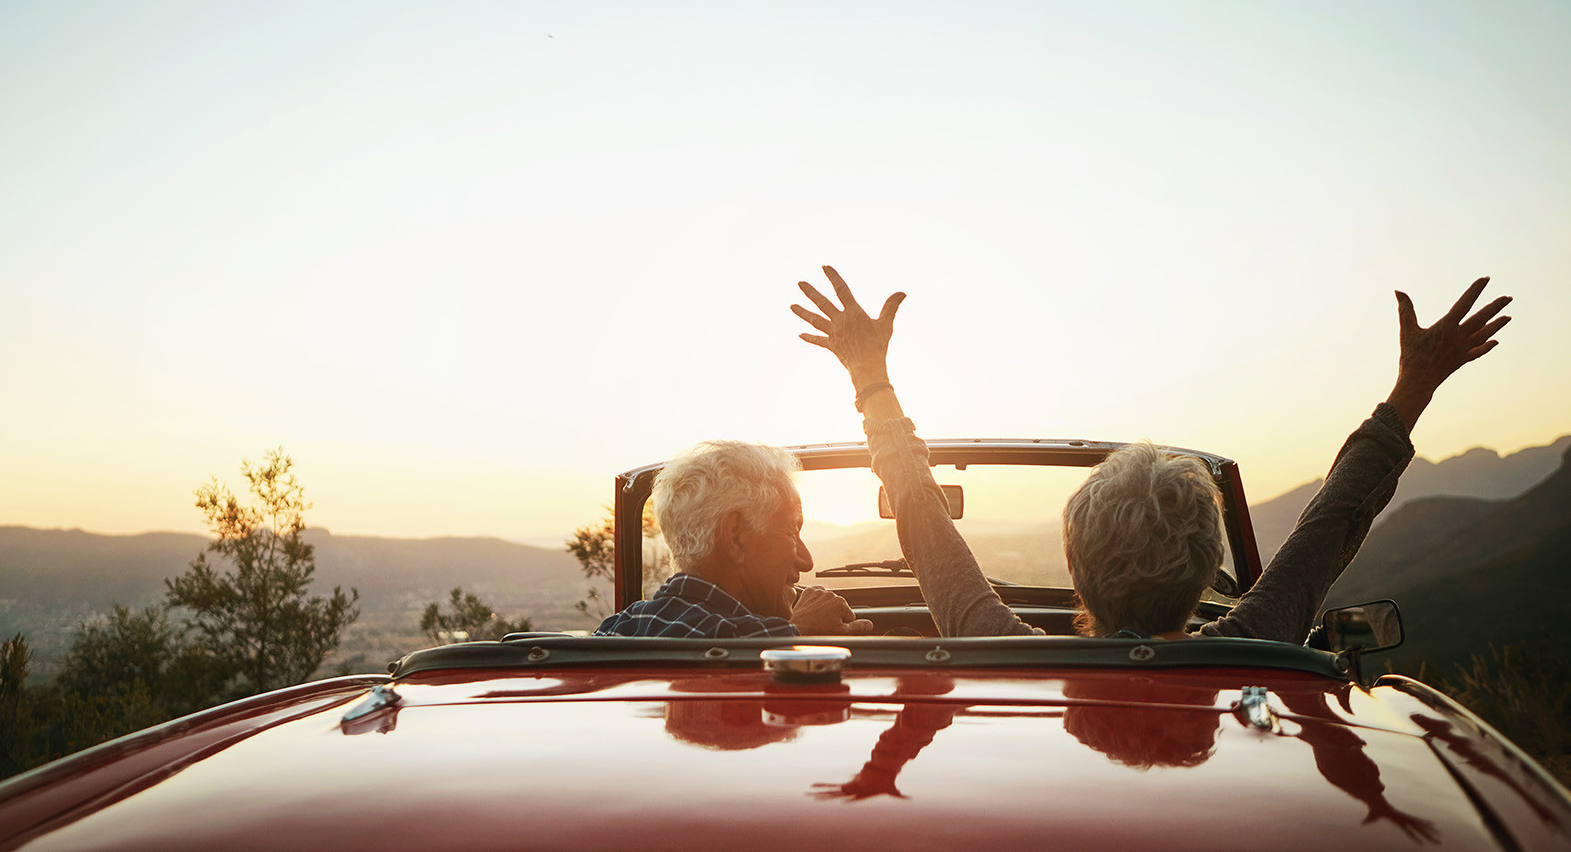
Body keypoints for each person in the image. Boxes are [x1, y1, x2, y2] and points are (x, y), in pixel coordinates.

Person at [792, 266, 1511, 643]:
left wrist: (871, 380)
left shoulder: (995, 642)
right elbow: (1337, 519)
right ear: (1205, 572)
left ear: (1073, 565)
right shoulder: (1255, 639)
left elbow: (920, 515)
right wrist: (1413, 385)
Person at [594, 440, 875, 638]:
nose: (806, 561)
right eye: (791, 531)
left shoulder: (616, 630)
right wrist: (797, 633)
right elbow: (706, 646)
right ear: (735, 537)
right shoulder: (725, 638)